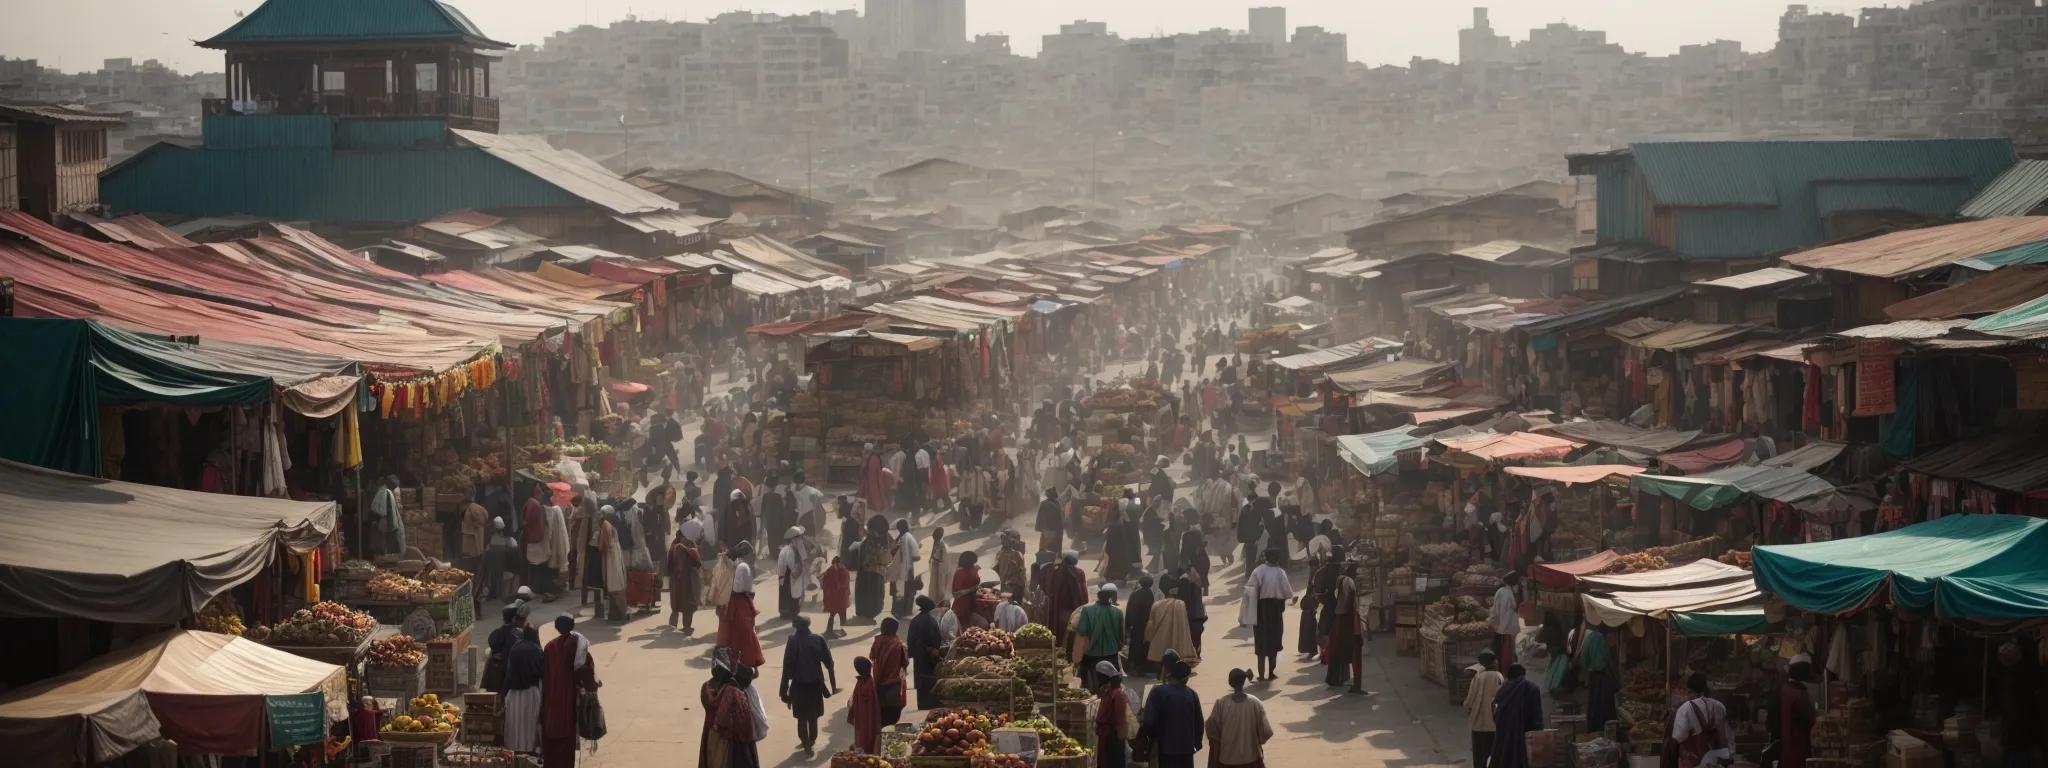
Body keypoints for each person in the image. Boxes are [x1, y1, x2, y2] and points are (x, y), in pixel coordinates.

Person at [541, 615, 597, 768]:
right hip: (568, 697)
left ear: (557, 628)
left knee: (551, 732)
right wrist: (592, 686)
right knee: (567, 733)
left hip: (550, 697)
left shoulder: (549, 647)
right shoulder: (577, 644)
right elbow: (586, 670)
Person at [780, 616, 839, 755]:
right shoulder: (818, 639)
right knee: (813, 715)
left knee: (801, 716)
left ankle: (805, 742)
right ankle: (812, 739)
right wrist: (833, 686)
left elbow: (787, 668)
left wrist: (783, 691)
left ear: (795, 625)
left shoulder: (792, 641)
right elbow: (829, 663)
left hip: (798, 685)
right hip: (815, 684)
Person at [1139, 660, 1204, 768]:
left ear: (1170, 674)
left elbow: (1149, 721)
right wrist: (1197, 743)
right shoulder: (1192, 694)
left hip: (1165, 748)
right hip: (1186, 749)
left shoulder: (1158, 692)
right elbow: (1199, 723)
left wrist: (1152, 740)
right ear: (1186, 678)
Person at [1206, 669, 1275, 768]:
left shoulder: (1221, 703)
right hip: (1251, 759)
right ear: (1243, 682)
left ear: (1230, 683)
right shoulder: (1255, 703)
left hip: (1226, 760)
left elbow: (1212, 732)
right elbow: (1266, 733)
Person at [719, 541, 767, 667]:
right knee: (745, 634)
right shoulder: (743, 566)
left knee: (734, 633)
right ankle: (746, 662)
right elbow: (739, 588)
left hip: (734, 602)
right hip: (741, 602)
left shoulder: (735, 564)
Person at [1248, 549, 1292, 680]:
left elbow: (1250, 590)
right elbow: (1288, 593)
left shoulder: (1258, 571)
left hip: (1261, 609)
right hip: (1275, 609)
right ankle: (1271, 673)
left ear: (1265, 557)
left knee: (1261, 642)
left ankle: (1261, 675)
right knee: (1274, 640)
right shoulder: (1280, 572)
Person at [1671, 673, 1731, 768]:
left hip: (1694, 761)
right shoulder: (1720, 706)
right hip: (1718, 759)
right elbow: (1726, 733)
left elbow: (1678, 736)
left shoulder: (1685, 708)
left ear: (1690, 690)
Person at [1490, 663, 1544, 768]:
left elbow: (1495, 713)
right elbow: (1537, 719)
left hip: (1503, 738)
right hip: (1524, 737)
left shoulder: (1502, 690)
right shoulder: (1533, 688)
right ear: (1524, 674)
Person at [503, 625, 545, 754]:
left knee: (515, 724)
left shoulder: (515, 647)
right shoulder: (537, 650)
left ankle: (514, 752)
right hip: (531, 692)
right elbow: (542, 672)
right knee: (529, 725)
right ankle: (528, 752)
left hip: (514, 692)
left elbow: (509, 670)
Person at [712, 665, 764, 768]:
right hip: (746, 736)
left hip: (735, 738)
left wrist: (719, 729)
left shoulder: (730, 691)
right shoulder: (746, 692)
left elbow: (721, 719)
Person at [1077, 586, 1126, 690]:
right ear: (1110, 597)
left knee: (1089, 678)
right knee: (1112, 679)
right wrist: (1121, 644)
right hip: (1112, 651)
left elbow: (1082, 631)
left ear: (1097, 597)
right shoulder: (1118, 611)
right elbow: (1122, 632)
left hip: (1092, 652)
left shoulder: (1087, 610)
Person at [1464, 651, 1504, 768]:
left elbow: (1469, 700)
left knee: (1479, 755)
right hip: (1493, 723)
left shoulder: (1478, 677)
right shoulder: (1498, 676)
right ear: (1493, 662)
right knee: (1493, 753)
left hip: (1477, 723)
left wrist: (1468, 707)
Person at [1324, 562, 1361, 689]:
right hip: (1344, 619)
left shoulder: (1341, 579)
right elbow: (1344, 602)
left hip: (1340, 617)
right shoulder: (1348, 581)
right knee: (1342, 649)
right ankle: (1338, 678)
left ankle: (1339, 678)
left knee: (1338, 649)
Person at [1147, 576, 1197, 669]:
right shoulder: (1180, 604)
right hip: (1177, 644)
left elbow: (1151, 625)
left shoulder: (1156, 604)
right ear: (1172, 590)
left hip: (1159, 643)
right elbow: (1184, 627)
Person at [1045, 551, 1090, 652]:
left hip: (1060, 607)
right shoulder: (1079, 572)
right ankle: (1072, 649)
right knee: (1073, 628)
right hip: (1074, 606)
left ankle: (1060, 647)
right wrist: (1084, 605)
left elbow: (1051, 590)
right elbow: (1083, 590)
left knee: (1061, 629)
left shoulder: (1057, 572)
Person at [906, 596, 945, 710]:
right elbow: (936, 639)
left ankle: (922, 703)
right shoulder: (931, 621)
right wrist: (933, 650)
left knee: (921, 681)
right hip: (929, 656)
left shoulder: (915, 621)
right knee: (931, 679)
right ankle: (931, 702)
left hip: (919, 657)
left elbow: (911, 641)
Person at [1096, 661, 1137, 768]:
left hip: (1113, 736)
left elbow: (1120, 718)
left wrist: (1120, 737)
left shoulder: (1118, 694)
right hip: (1106, 735)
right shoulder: (1106, 691)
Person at [869, 618, 909, 725]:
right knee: (892, 717)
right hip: (894, 684)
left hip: (878, 682)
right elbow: (905, 663)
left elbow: (872, 657)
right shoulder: (899, 645)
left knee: (880, 716)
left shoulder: (877, 642)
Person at [1581, 625, 1618, 735]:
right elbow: (1606, 662)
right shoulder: (1601, 640)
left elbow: (1584, 660)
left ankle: (1593, 732)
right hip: (1603, 678)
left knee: (1594, 707)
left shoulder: (1590, 637)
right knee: (1604, 707)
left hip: (1593, 677)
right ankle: (1604, 733)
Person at [699, 664, 738, 768]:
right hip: (727, 730)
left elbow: (706, 705)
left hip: (710, 726)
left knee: (710, 756)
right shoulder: (731, 688)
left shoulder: (705, 687)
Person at [668, 526, 703, 632]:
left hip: (677, 582)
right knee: (688, 607)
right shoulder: (689, 552)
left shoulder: (675, 546)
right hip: (686, 584)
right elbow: (693, 573)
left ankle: (673, 627)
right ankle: (686, 627)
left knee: (676, 607)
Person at [1781, 660, 1815, 768]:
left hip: (1786, 735)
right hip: (1798, 739)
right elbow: (1810, 716)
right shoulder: (1800, 694)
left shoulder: (1785, 688)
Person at [483, 605, 524, 693]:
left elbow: (493, 645)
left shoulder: (499, 631)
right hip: (510, 671)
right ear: (514, 618)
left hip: (497, 671)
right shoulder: (518, 633)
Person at [777, 526, 812, 620]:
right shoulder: (790, 552)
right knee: (790, 595)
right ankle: (789, 613)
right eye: (799, 538)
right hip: (787, 579)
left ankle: (790, 612)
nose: (801, 540)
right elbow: (795, 573)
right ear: (793, 540)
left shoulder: (791, 550)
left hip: (788, 578)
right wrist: (802, 558)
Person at [1126, 575, 1158, 676]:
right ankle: (1142, 668)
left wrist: (1129, 625)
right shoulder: (1150, 594)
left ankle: (1133, 667)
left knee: (1135, 646)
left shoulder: (1135, 594)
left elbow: (1130, 610)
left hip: (1136, 625)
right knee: (1144, 646)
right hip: (1146, 625)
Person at [849, 656, 881, 755]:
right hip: (869, 717)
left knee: (864, 736)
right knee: (870, 734)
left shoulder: (863, 684)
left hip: (863, 718)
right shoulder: (869, 682)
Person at [890, 519, 922, 618]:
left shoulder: (905, 539)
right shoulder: (906, 537)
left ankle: (901, 612)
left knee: (902, 590)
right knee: (905, 590)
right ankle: (904, 611)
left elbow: (906, 557)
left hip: (904, 569)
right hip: (906, 568)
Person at [370, 475, 406, 557]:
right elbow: (385, 510)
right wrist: (391, 522)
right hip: (384, 520)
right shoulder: (385, 492)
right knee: (384, 541)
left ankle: (386, 556)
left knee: (386, 541)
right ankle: (385, 558)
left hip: (385, 520)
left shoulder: (385, 491)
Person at [1491, 573, 1521, 666]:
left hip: (1499, 625)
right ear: (1513, 584)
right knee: (1507, 649)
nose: (1517, 587)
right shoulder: (1509, 593)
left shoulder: (1500, 591)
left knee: (1499, 647)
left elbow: (1495, 606)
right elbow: (1514, 607)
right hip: (1507, 626)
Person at [951, 551, 984, 628]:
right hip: (963, 602)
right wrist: (972, 589)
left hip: (970, 600)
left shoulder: (973, 569)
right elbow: (958, 591)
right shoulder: (961, 572)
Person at [857, 443, 892, 513]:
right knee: (875, 493)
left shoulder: (869, 457)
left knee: (869, 494)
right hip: (873, 479)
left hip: (869, 479)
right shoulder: (874, 458)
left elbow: (863, 468)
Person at [822, 556, 852, 638]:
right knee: (842, 615)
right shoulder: (844, 570)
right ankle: (841, 631)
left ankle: (829, 630)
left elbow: (825, 583)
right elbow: (846, 584)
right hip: (842, 596)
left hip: (833, 596)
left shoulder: (830, 570)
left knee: (832, 614)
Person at [995, 530, 1029, 596]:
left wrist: (1000, 586)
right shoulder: (1019, 553)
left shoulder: (1005, 554)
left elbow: (1003, 573)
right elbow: (1022, 570)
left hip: (1009, 586)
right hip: (1018, 584)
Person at [1037, 488, 1066, 555]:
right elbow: (1062, 520)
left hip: (1046, 532)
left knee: (1044, 552)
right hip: (1057, 533)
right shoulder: (1059, 504)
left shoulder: (1044, 504)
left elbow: (1040, 520)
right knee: (1055, 553)